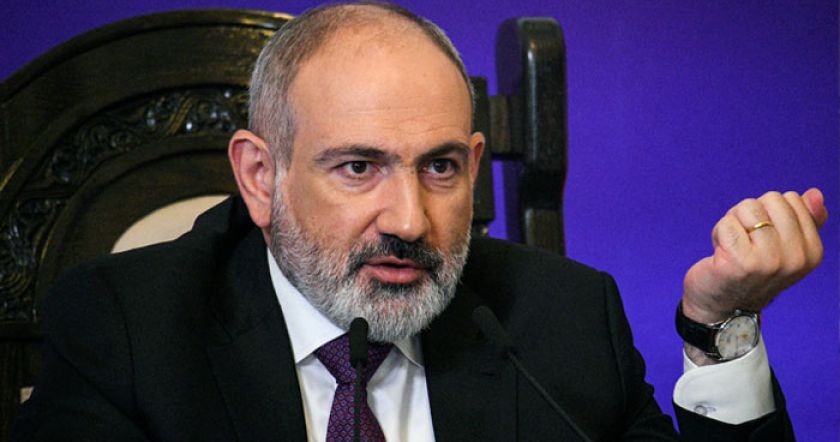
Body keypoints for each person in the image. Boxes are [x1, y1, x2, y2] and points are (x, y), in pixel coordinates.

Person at [12, 3, 826, 441]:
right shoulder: (130, 329)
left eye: (439, 168)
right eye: (358, 167)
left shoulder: (562, 320)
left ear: (473, 163)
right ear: (261, 178)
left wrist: (720, 331)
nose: (409, 219)